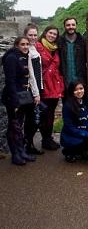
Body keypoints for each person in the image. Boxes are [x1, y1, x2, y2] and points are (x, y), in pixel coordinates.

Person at [2, 36, 37, 165]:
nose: (25, 46)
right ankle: (15, 155)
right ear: (17, 45)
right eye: (22, 44)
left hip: (22, 96)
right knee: (14, 127)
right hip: (13, 97)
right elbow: (10, 81)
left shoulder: (23, 56)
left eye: (27, 44)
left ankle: (21, 151)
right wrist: (15, 101)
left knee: (18, 126)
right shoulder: (11, 58)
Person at [36, 25, 65, 150]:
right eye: (50, 33)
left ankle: (48, 137)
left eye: (55, 34)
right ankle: (45, 140)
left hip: (54, 85)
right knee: (44, 113)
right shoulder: (38, 47)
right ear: (45, 33)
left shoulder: (55, 49)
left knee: (50, 113)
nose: (52, 36)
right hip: (43, 85)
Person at [60, 81, 88, 163]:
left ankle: (82, 151)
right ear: (71, 92)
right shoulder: (67, 106)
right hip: (70, 133)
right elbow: (69, 127)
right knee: (79, 141)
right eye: (76, 90)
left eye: (81, 88)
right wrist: (87, 134)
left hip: (82, 130)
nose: (79, 91)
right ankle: (68, 152)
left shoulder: (86, 102)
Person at [23, 24, 43, 155]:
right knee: (31, 119)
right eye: (30, 35)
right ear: (25, 35)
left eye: (35, 35)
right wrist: (36, 93)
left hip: (37, 88)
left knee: (35, 118)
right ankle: (27, 146)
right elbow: (30, 74)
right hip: (31, 90)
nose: (33, 37)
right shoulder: (26, 51)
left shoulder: (34, 49)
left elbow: (38, 72)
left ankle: (28, 144)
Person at [58, 17, 87, 90]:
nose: (71, 27)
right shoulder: (59, 41)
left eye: (73, 25)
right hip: (65, 79)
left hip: (80, 79)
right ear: (64, 26)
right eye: (68, 25)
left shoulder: (83, 41)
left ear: (76, 25)